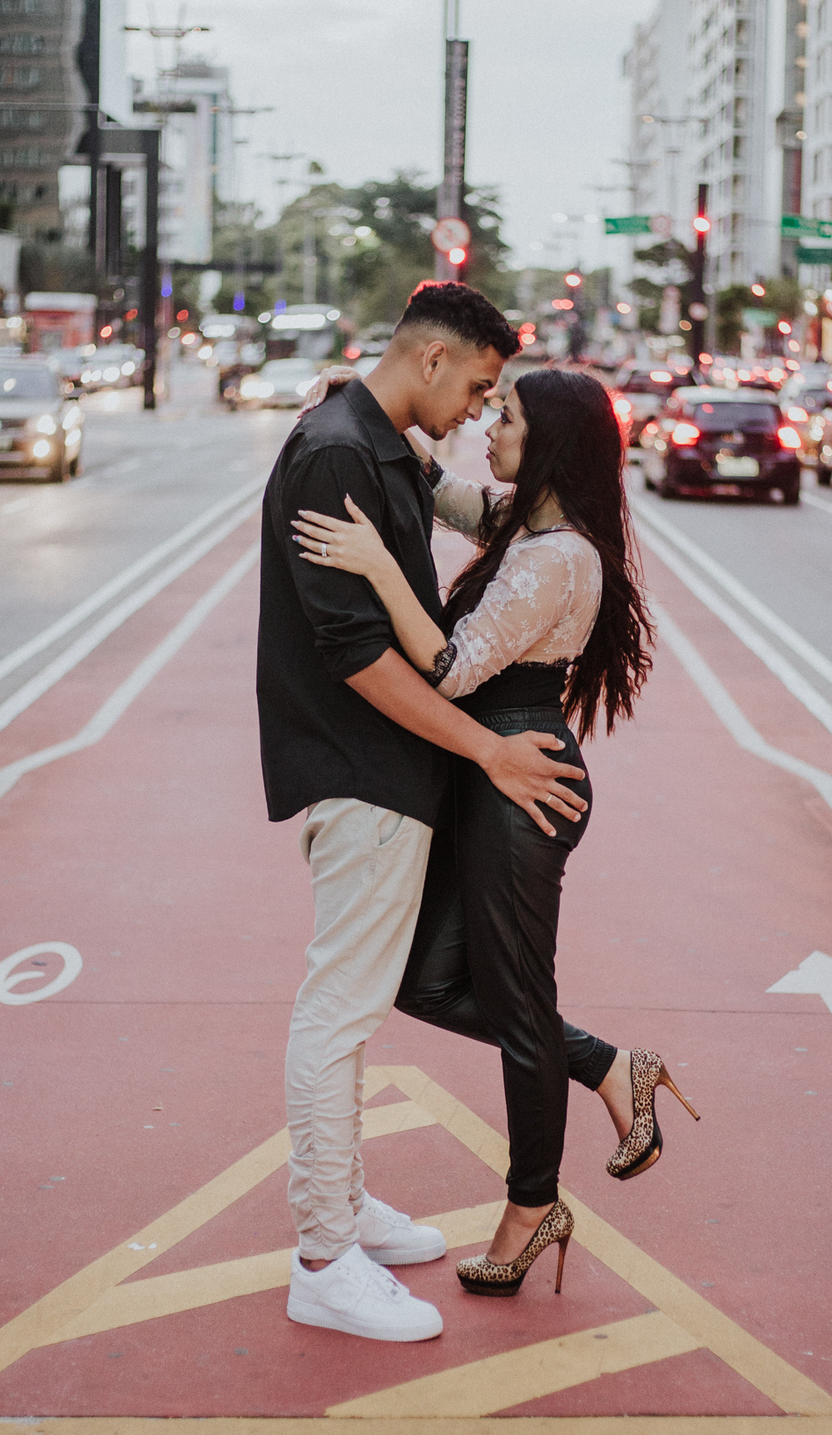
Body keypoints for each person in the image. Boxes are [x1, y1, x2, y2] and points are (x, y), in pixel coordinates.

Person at [293, 365, 697, 1304]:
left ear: (547, 439)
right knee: (424, 983)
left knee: (520, 1010)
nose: (489, 427)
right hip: (493, 773)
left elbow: (446, 666)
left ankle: (532, 1207)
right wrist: (365, 399)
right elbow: (441, 490)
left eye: (506, 417)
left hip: (525, 783)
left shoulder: (560, 557)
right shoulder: (526, 525)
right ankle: (607, 1066)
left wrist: (377, 565)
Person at [257, 283, 589, 1344]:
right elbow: (358, 654)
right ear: (434, 360)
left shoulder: (369, 440)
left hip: (386, 772)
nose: (478, 415)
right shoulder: (342, 453)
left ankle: (344, 1212)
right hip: (365, 768)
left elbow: (476, 510)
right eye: (481, 390)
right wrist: (489, 750)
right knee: (340, 1012)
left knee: (350, 1010)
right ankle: (322, 1256)